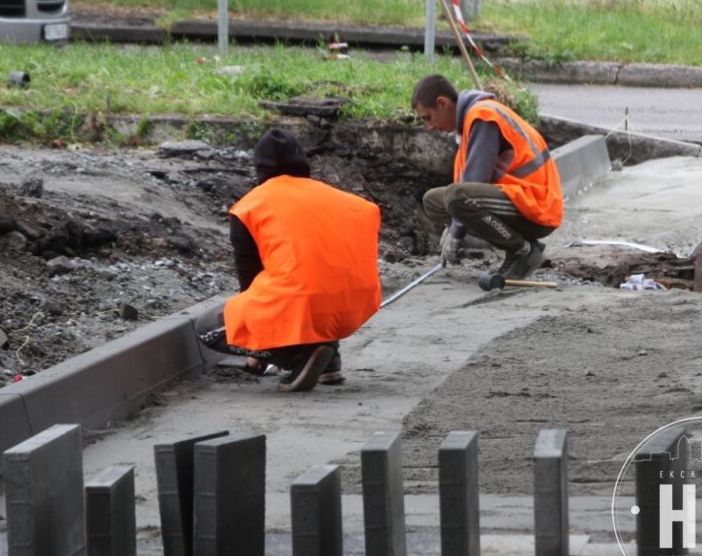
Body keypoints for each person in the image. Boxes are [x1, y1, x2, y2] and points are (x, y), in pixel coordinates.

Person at [193, 128, 382, 392]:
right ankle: (328, 358)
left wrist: (260, 348)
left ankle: (295, 357)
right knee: (317, 281)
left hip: (307, 304)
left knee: (206, 327)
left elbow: (250, 283)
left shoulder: (250, 207)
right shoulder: (344, 200)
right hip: (356, 305)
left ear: (260, 168)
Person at [411, 74, 563, 279]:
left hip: (537, 207)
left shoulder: (483, 117)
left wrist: (456, 233)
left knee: (457, 196)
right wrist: (453, 226)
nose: (428, 126)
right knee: (433, 201)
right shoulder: (468, 123)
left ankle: (522, 252)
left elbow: (473, 183)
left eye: (427, 117)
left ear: (442, 103)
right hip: (519, 200)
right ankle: (516, 241)